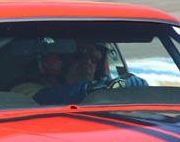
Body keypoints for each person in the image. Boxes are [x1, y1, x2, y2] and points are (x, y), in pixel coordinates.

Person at [12, 41, 147, 104]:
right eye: (78, 55)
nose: (87, 62)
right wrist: (101, 88)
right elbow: (45, 99)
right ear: (54, 62)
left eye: (94, 57)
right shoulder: (23, 89)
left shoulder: (109, 98)